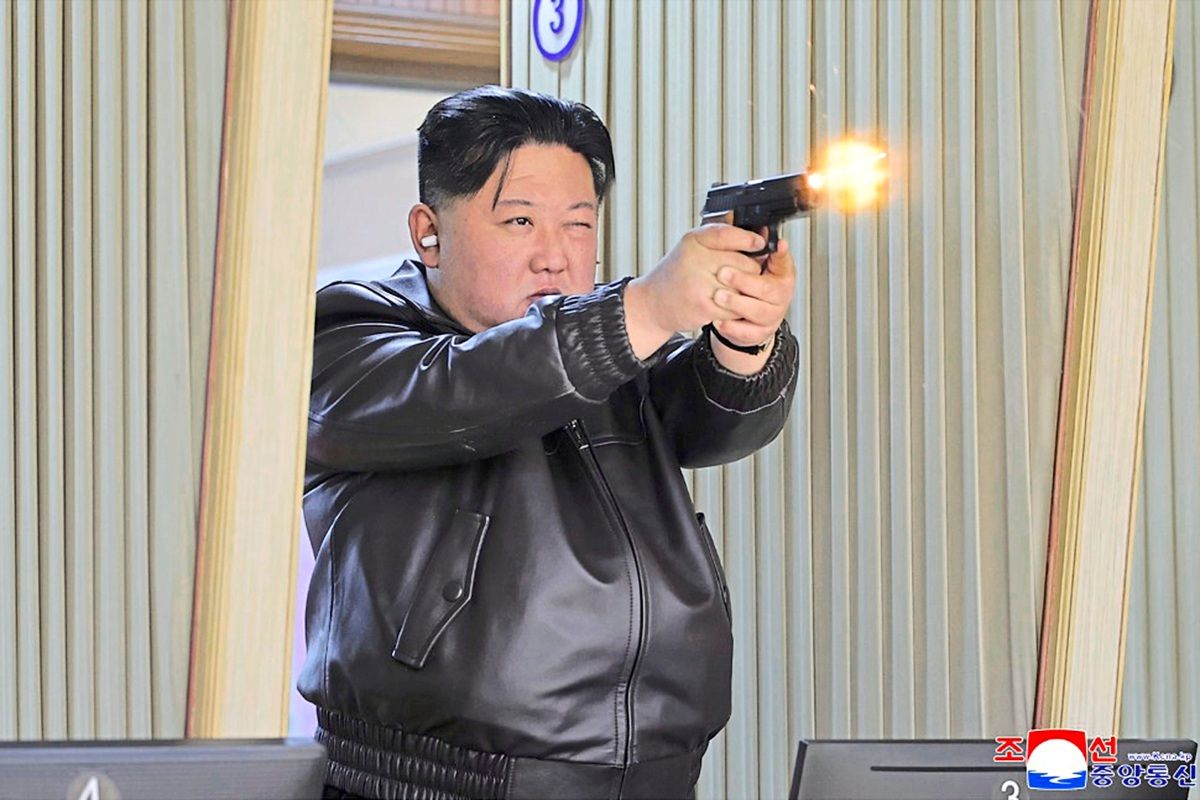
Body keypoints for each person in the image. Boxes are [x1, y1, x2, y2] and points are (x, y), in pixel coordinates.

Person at [300, 85, 799, 800]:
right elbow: (465, 388)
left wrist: (742, 338)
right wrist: (644, 309)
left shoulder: (601, 336)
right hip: (432, 783)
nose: (556, 257)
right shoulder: (348, 334)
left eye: (578, 223)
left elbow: (712, 418)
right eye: (520, 221)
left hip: (659, 778)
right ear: (428, 232)